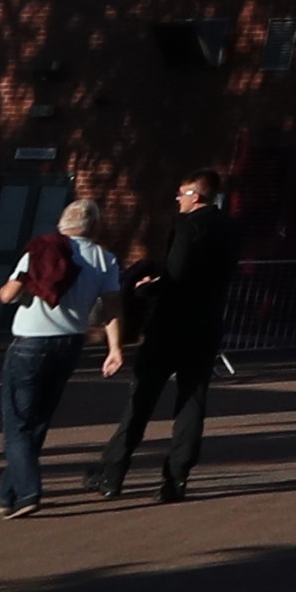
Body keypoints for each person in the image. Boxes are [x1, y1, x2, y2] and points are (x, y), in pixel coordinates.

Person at [96, 172, 241, 500]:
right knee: (192, 400)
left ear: (196, 195)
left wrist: (148, 287)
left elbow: (175, 275)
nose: (178, 199)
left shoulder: (187, 226)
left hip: (171, 324)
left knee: (142, 397)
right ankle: (176, 477)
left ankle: (113, 472)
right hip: (206, 324)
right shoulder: (231, 228)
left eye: (181, 193)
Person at [0, 199, 116, 513]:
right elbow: (113, 307)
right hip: (70, 343)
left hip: (30, 342)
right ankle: (6, 496)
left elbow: (7, 296)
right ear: (94, 226)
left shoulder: (41, 250)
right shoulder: (105, 258)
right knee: (38, 421)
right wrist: (115, 348)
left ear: (63, 223)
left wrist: (16, 283)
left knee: (17, 423)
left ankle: (30, 492)